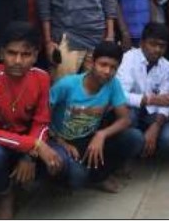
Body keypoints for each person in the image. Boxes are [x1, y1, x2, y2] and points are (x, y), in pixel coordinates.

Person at [0, 22, 63, 219]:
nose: (18, 61)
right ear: (2, 53)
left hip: (27, 145)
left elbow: (41, 122)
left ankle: (27, 184)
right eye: (12, 53)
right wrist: (34, 145)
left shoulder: (42, 78)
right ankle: (5, 195)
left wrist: (30, 156)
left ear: (35, 56)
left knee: (65, 167)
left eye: (26, 54)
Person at [49, 41, 135, 193]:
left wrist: (101, 134)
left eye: (113, 67)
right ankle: (58, 180)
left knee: (133, 138)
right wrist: (60, 142)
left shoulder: (113, 84)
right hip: (59, 139)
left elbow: (125, 119)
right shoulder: (67, 85)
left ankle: (99, 176)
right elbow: (42, 117)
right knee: (77, 176)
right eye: (103, 65)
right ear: (92, 63)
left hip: (88, 138)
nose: (107, 71)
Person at [115, 24, 169, 163]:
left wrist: (156, 126)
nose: (157, 49)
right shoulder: (128, 58)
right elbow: (119, 95)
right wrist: (150, 100)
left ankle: (147, 148)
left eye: (162, 46)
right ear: (142, 43)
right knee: (129, 116)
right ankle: (127, 156)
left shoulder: (167, 66)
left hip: (152, 115)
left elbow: (167, 102)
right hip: (133, 111)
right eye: (153, 44)